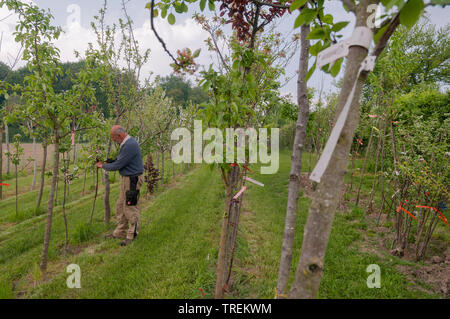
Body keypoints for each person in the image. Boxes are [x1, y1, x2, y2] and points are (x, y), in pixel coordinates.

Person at [96, 125, 144, 246]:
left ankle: (132, 234)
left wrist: (103, 166)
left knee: (130, 206)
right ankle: (120, 232)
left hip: (132, 180)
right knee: (120, 205)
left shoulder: (129, 145)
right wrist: (109, 161)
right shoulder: (127, 143)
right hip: (126, 178)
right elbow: (120, 160)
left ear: (119, 135)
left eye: (113, 137)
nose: (113, 140)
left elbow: (119, 165)